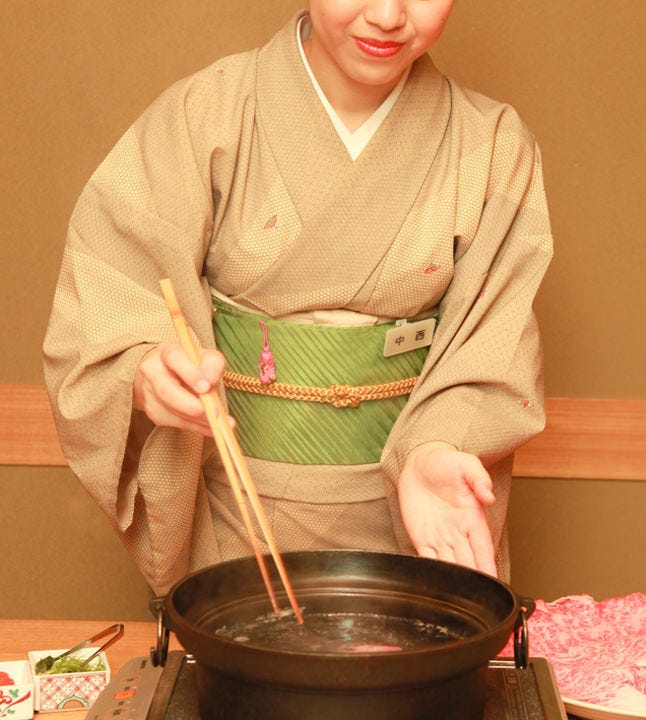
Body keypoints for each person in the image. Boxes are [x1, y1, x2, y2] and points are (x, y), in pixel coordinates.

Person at [43, 0, 553, 597]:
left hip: (417, 518)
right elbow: (112, 295)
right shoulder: (202, 116)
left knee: (417, 647)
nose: (388, 15)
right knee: (235, 641)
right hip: (232, 515)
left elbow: (493, 341)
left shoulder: (491, 144)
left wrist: (436, 446)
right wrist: (144, 372)